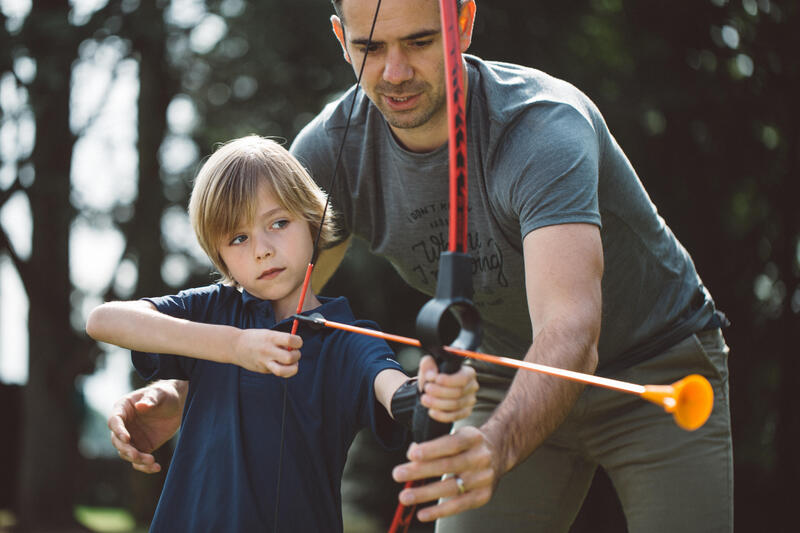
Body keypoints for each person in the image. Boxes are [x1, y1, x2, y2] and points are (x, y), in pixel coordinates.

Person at [108, 1, 734, 531]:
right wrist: (192, 393)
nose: (395, 72)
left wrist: (494, 444)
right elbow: (282, 315)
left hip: (660, 374)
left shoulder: (543, 126)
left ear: (463, 20)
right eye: (370, 48)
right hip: (495, 377)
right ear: (340, 40)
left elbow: (572, 331)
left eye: (419, 40)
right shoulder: (328, 150)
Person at [87, 135, 478, 532]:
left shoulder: (347, 341)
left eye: (278, 223)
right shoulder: (214, 310)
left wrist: (431, 392)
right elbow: (104, 320)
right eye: (238, 238)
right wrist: (234, 346)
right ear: (220, 255)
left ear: (312, 219)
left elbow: (397, 392)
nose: (262, 249)